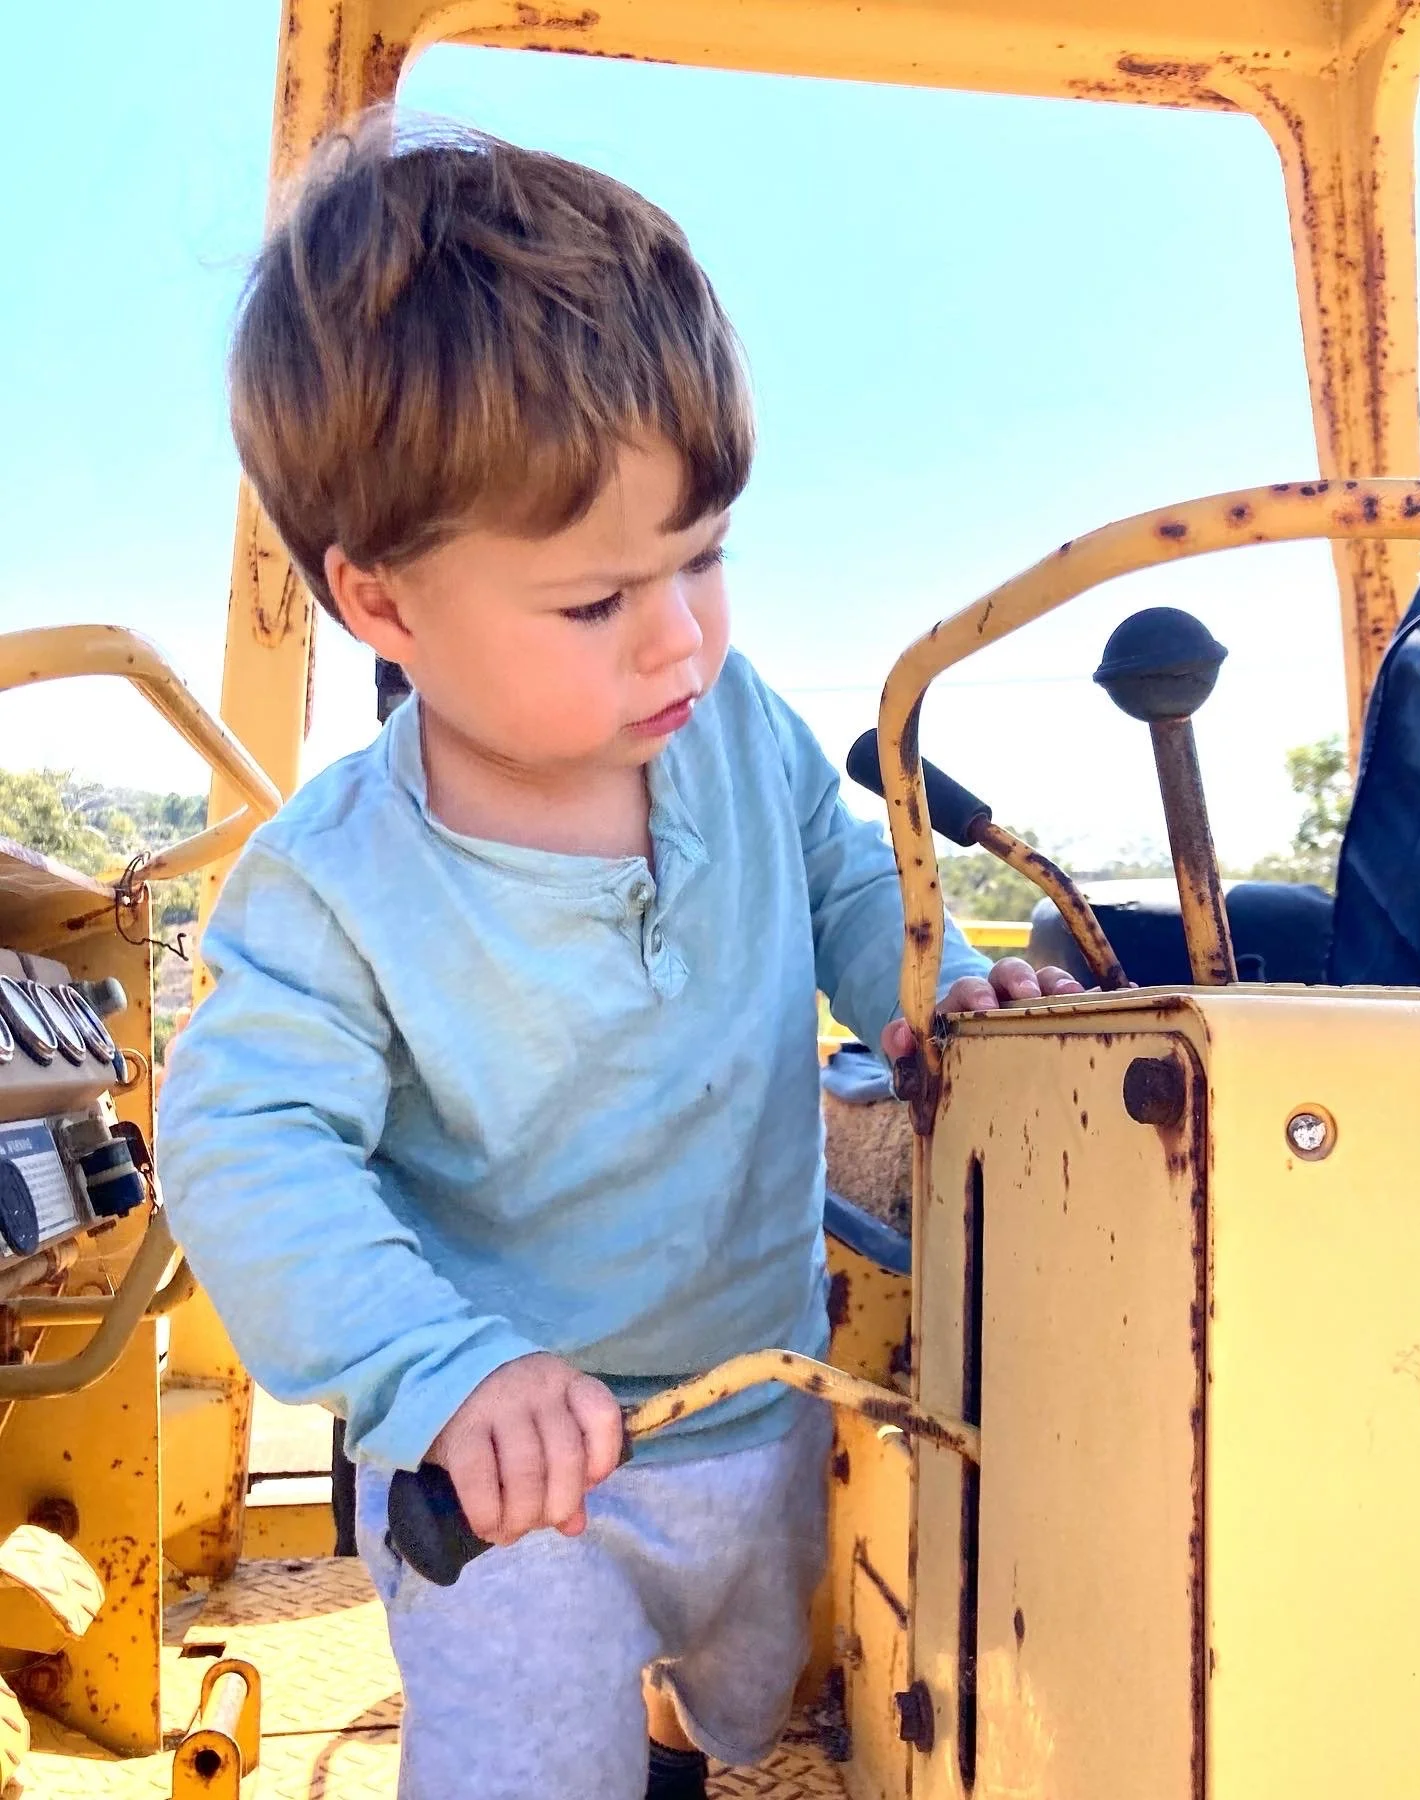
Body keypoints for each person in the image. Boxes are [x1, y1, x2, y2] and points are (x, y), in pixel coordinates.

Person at [157, 112, 1081, 1800]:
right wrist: (436, 1371)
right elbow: (242, 1145)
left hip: (759, 1394)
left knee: (738, 1707)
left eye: (704, 556)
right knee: (526, 1755)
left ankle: (676, 1743)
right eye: (597, 602)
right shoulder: (332, 888)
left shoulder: (734, 729)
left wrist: (936, 990)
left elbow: (849, 885)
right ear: (383, 609)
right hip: (510, 1474)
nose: (682, 637)